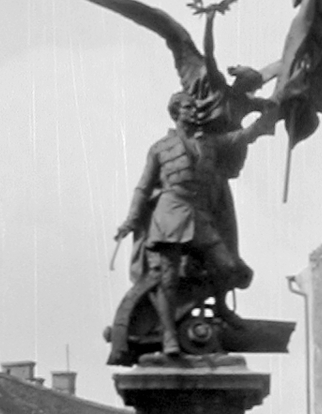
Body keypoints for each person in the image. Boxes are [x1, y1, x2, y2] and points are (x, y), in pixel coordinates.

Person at [113, 91, 278, 358]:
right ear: (176, 112)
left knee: (228, 267)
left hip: (199, 214)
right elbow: (143, 188)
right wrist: (131, 220)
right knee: (167, 280)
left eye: (195, 107)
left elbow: (244, 136)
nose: (194, 111)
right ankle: (169, 336)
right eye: (188, 107)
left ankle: (220, 306)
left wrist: (269, 112)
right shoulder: (159, 148)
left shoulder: (210, 143)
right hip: (169, 214)